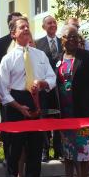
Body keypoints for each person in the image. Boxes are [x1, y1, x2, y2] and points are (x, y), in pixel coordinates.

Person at [0, 17, 56, 177]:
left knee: (35, 151)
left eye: (27, 27)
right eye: (21, 27)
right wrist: (18, 107)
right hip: (16, 105)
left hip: (37, 101)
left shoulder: (40, 55)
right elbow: (2, 90)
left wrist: (44, 83)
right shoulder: (7, 59)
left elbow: (52, 77)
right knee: (13, 153)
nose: (26, 29)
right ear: (13, 33)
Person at [54, 25, 89, 177]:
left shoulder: (88, 57)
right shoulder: (57, 58)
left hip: (84, 112)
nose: (72, 39)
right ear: (62, 39)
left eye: (75, 36)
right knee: (67, 149)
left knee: (83, 149)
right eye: (68, 37)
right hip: (64, 114)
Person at [0, 12, 22, 163]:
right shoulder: (0, 43)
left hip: (24, 93)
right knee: (7, 124)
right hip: (6, 92)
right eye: (15, 22)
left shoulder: (28, 43)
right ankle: (7, 156)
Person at [35, 15, 62, 162]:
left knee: (59, 118)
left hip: (60, 89)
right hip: (44, 89)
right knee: (44, 118)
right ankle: (44, 149)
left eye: (54, 22)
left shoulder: (63, 43)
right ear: (43, 27)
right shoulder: (38, 44)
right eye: (49, 23)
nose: (52, 25)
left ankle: (59, 149)